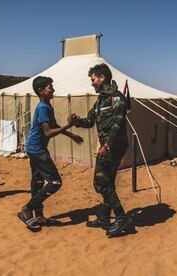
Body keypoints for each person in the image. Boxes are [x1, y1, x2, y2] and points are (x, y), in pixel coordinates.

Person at [68, 63, 132, 237]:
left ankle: (121, 217)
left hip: (114, 146)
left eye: (93, 79)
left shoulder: (116, 98)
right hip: (107, 146)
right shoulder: (101, 100)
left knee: (100, 183)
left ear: (102, 77)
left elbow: (118, 124)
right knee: (107, 182)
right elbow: (89, 121)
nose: (92, 83)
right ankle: (104, 218)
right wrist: (76, 121)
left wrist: (107, 145)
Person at [17, 76, 83, 231]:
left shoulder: (47, 106)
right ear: (41, 91)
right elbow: (48, 132)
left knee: (38, 182)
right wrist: (69, 125)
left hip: (35, 147)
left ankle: (38, 216)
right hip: (37, 149)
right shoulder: (42, 107)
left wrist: (71, 135)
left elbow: (53, 125)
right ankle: (27, 209)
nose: (52, 89)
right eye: (49, 87)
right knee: (55, 182)